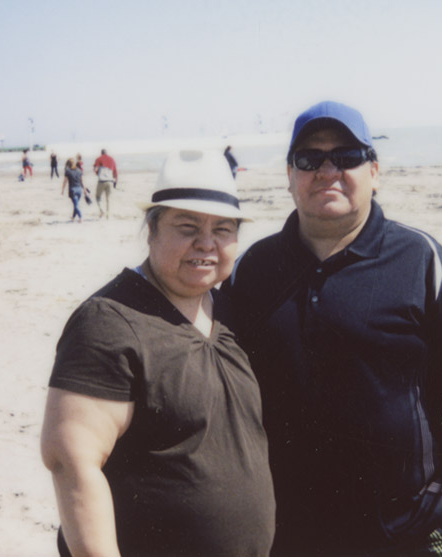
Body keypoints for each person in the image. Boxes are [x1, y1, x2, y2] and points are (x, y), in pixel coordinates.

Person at [224, 101, 442, 555]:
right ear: (290, 175)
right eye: (310, 159)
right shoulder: (252, 269)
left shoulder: (423, 261)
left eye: (346, 157)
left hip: (407, 531)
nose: (328, 170)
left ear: (375, 172)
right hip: (287, 531)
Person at [41, 149, 274, 556]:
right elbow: (71, 461)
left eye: (222, 229)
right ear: (152, 230)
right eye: (187, 226)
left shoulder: (229, 312)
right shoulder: (107, 322)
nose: (206, 243)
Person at [93, 148, 118, 219]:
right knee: (108, 199)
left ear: (101, 153)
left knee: (97, 196)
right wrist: (116, 181)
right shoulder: (112, 159)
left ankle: (102, 210)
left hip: (101, 181)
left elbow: (95, 169)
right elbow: (115, 171)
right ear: (106, 153)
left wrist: (97, 173)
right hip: (110, 181)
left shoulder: (98, 159)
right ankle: (108, 215)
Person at [60, 158, 86, 223]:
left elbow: (65, 181)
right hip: (79, 190)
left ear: (68, 164)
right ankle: (73, 218)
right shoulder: (79, 170)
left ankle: (80, 218)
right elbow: (82, 181)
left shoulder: (68, 171)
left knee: (76, 205)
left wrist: (62, 190)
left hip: (73, 190)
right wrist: (84, 189)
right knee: (76, 204)